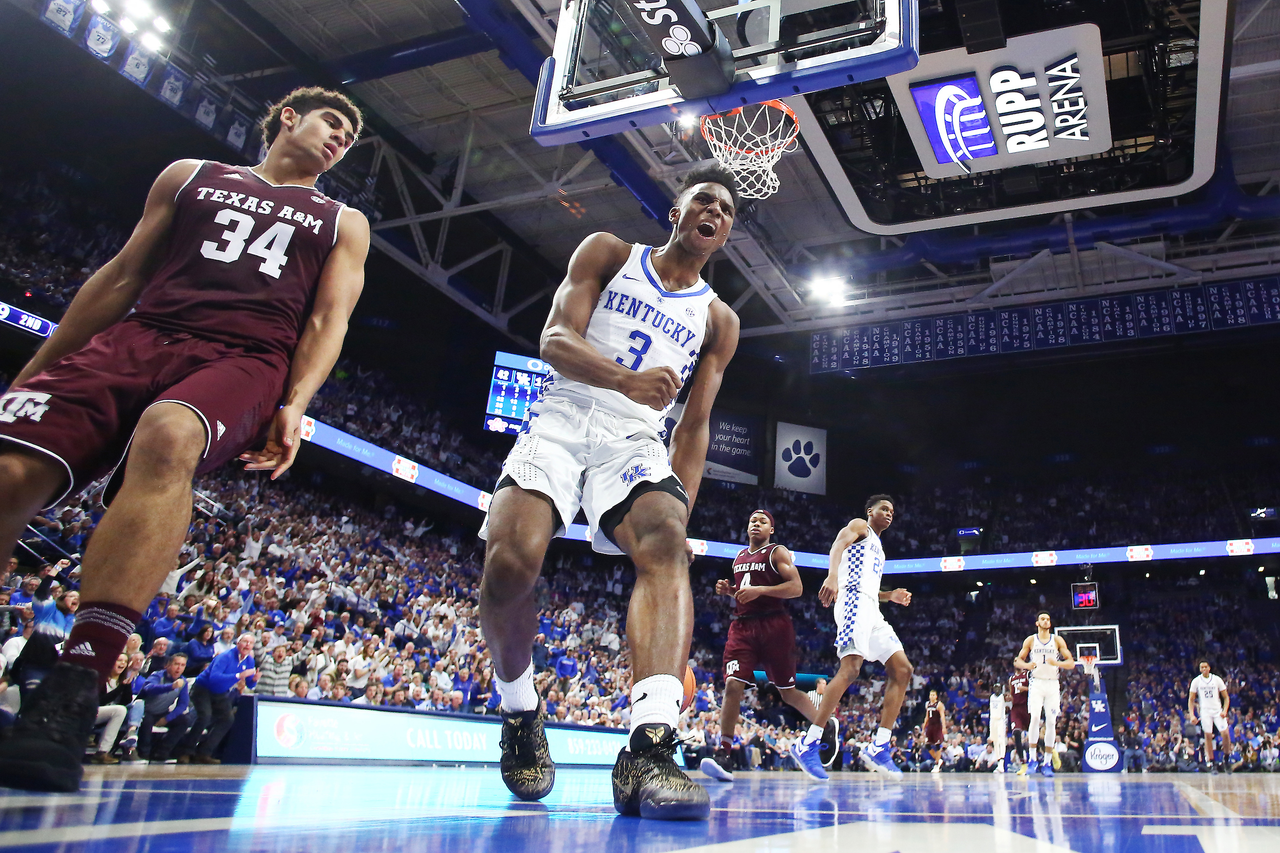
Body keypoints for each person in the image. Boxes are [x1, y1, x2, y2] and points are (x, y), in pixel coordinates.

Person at [0, 86, 368, 792]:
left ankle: (77, 687)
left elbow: (329, 320)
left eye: (348, 139)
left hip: (242, 355)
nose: (339, 140)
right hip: (139, 334)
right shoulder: (190, 175)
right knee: (12, 477)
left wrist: (297, 402)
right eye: (333, 122)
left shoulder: (341, 220)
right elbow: (121, 275)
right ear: (287, 115)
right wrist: (39, 368)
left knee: (169, 435)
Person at [477, 166, 741, 819]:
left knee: (666, 541)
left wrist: (681, 503)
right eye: (703, 198)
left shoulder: (718, 319)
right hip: (564, 417)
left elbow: (696, 422)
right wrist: (624, 377)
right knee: (510, 563)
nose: (713, 210)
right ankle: (519, 706)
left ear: (725, 234)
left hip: (635, 441)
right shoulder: (608, 252)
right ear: (676, 209)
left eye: (726, 209)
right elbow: (555, 340)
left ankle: (650, 745)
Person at [699, 510, 833, 783]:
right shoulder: (738, 558)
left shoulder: (777, 552)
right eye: (752, 521)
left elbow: (796, 588)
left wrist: (760, 591)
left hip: (775, 627)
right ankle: (724, 752)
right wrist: (729, 591)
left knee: (787, 693)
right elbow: (744, 592)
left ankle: (824, 723)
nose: (756, 524)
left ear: (771, 530)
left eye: (762, 522)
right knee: (733, 684)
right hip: (743, 627)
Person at [790, 495, 914, 780]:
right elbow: (837, 544)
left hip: (871, 607)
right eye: (884, 508)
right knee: (851, 669)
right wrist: (832, 576)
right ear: (870, 511)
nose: (889, 513)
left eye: (892, 511)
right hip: (852, 603)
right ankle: (808, 743)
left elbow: (870, 587)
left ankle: (878, 746)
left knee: (903, 670)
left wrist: (889, 596)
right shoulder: (860, 527)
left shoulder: (879, 549)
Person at [176, 633, 257, 764]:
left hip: (220, 692)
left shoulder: (249, 661)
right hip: (203, 688)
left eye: (250, 643)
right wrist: (238, 675)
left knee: (228, 719)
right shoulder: (225, 657)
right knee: (204, 716)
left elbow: (249, 683)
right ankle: (185, 752)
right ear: (238, 643)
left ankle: (204, 753)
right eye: (244, 642)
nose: (247, 645)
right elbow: (214, 678)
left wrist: (253, 680)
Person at [1013, 611, 1075, 778]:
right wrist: (1027, 666)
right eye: (1043, 619)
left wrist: (1058, 663)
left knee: (1051, 722)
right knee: (1034, 719)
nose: (1046, 621)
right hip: (1036, 683)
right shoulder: (1031, 640)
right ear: (1037, 623)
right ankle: (1033, 760)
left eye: (1048, 619)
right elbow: (1017, 660)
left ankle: (1047, 762)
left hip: (1052, 684)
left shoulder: (1057, 640)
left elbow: (1071, 663)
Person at [1188, 659, 1232, 774]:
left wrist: (1224, 710)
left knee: (1225, 734)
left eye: (1205, 667)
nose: (1203, 669)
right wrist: (1192, 715)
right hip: (1205, 711)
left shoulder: (1217, 679)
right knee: (1208, 735)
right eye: (1201, 667)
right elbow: (1191, 699)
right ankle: (1212, 763)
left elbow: (1226, 697)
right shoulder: (1196, 681)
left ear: (1209, 668)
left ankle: (1227, 759)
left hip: (1217, 710)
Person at [1008, 668, 1031, 775]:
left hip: (1027, 707)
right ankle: (1023, 763)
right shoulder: (1011, 679)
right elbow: (1011, 695)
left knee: (1035, 735)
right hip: (1016, 709)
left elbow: (1037, 689)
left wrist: (1025, 689)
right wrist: (1009, 698)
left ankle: (1051, 752)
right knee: (1016, 733)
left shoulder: (1028, 674)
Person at [923, 689, 947, 773]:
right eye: (931, 695)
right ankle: (938, 759)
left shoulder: (939, 704)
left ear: (936, 696)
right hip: (930, 726)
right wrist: (924, 727)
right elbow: (927, 717)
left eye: (933, 695)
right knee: (928, 745)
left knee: (937, 745)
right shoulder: (927, 704)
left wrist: (944, 727)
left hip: (937, 726)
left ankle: (937, 763)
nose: (932, 696)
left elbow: (942, 716)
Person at [988, 680, 1007, 773]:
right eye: (995, 688)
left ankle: (1002, 762)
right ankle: (999, 762)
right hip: (993, 720)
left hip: (1000, 720)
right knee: (995, 741)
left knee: (1001, 741)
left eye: (998, 688)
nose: (996, 689)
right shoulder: (991, 697)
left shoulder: (1003, 697)